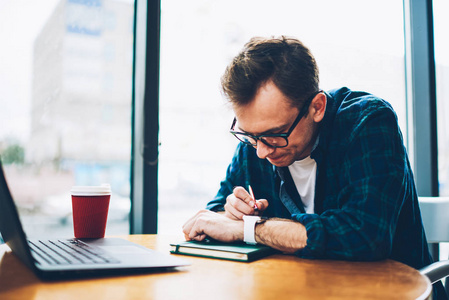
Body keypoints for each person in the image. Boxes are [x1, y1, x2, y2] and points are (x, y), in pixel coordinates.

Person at [182, 36, 446, 298]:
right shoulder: (254, 142)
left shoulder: (368, 122)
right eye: (249, 135)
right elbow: (213, 217)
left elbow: (365, 237)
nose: (261, 151)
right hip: (299, 290)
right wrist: (230, 213)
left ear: (317, 107)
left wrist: (250, 228)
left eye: (275, 134)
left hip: (393, 292)